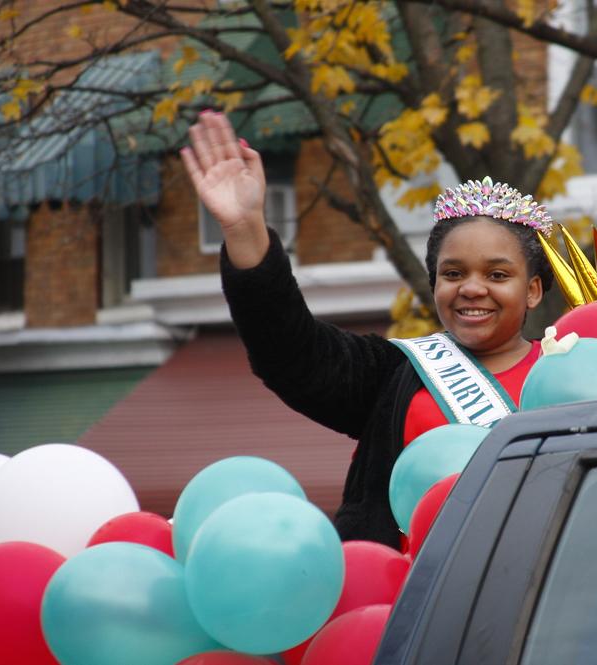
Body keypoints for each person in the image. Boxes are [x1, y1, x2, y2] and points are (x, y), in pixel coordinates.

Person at [180, 111, 555, 547]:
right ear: (434, 285)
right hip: (400, 601)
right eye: (453, 274)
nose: (472, 288)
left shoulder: (572, 374)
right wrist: (245, 231)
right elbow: (291, 353)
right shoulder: (393, 373)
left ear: (531, 291)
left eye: (496, 275)